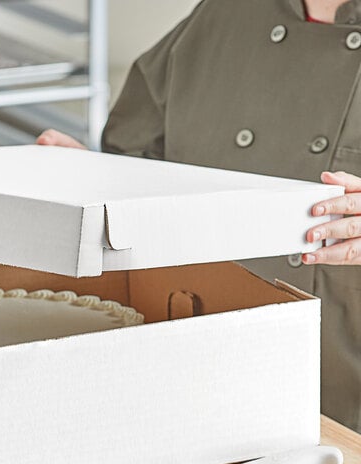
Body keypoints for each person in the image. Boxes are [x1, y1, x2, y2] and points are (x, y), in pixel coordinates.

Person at [37, 0, 361, 433]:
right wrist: (98, 183)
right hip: (192, 384)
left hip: (339, 410)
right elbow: (138, 163)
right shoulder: (223, 15)